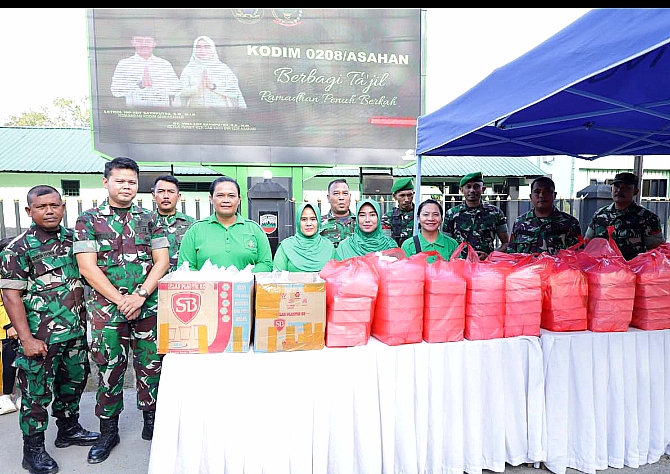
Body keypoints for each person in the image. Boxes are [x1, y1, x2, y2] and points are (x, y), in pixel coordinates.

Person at [74, 157, 170, 464]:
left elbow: (162, 261)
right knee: (109, 370)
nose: (126, 187)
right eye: (120, 181)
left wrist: (140, 296)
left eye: (131, 182)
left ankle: (152, 423)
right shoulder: (88, 220)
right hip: (107, 310)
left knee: (151, 366)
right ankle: (108, 431)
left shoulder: (149, 218)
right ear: (106, 182)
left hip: (147, 306)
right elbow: (87, 268)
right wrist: (120, 300)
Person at [0, 185, 99, 474]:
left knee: (73, 383)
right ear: (28, 211)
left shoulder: (75, 240)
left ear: (63, 207)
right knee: (36, 395)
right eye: (41, 207)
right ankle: (32, 451)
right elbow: (11, 295)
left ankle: (68, 429)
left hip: (74, 333)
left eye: (54, 205)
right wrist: (26, 338)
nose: (49, 211)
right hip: (40, 337)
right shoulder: (18, 247)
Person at [177, 176, 273, 272]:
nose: (226, 200)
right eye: (220, 195)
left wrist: (243, 278)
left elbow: (266, 264)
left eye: (231, 195)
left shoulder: (254, 229)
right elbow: (185, 267)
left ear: (239, 199)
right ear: (211, 199)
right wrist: (210, 280)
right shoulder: (195, 230)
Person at [584, 172, 664, 260]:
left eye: (625, 188)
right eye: (616, 186)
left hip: (633, 267)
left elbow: (657, 254)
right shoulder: (600, 215)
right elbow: (587, 245)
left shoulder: (648, 218)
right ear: (611, 189)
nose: (619, 190)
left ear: (635, 191)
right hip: (601, 267)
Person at [507, 176, 583, 255]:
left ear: (554, 195)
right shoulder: (520, 223)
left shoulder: (570, 223)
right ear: (530, 197)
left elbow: (578, 256)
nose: (541, 195)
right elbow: (511, 255)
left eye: (546, 192)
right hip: (525, 263)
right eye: (537, 192)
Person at [442, 171, 509, 260]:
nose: (472, 190)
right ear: (461, 190)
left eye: (476, 186)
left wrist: (490, 257)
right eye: (468, 187)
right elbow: (445, 244)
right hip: (459, 264)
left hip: (486, 264)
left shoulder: (495, 213)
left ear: (483, 189)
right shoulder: (451, 214)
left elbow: (506, 243)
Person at [110, 31, 182, 107]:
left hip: (161, 112)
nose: (144, 45)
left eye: (148, 41)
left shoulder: (164, 64)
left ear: (154, 43)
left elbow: (177, 89)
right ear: (133, 43)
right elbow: (115, 91)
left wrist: (156, 83)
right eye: (139, 41)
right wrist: (138, 85)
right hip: (136, 112)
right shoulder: (124, 64)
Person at [179, 35, 247, 108]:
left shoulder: (223, 69)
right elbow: (180, 93)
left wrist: (213, 86)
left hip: (220, 112)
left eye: (206, 47)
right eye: (198, 47)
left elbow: (234, 92)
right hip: (196, 112)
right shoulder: (188, 69)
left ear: (212, 49)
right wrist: (198, 87)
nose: (202, 50)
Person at [151, 175, 196, 272]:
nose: (166, 196)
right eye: (161, 191)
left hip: (181, 279)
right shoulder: (146, 222)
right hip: (153, 280)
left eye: (171, 192)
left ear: (178, 196)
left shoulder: (192, 224)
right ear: (154, 196)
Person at [273, 202, 335, 272]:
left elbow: (335, 275)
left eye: (313, 219)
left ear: (318, 221)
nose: (308, 224)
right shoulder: (286, 246)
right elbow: (277, 276)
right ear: (298, 222)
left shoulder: (328, 246)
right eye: (304, 219)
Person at [334, 198, 398, 260]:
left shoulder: (390, 245)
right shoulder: (344, 246)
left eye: (372, 215)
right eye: (362, 215)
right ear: (357, 218)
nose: (367, 220)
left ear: (378, 217)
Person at [401, 198, 459, 263]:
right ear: (418, 218)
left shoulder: (452, 244)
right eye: (426, 214)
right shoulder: (408, 246)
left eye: (436, 214)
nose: (431, 218)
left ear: (441, 219)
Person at [0, 237, 20, 416]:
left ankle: (7, 397)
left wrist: (11, 325)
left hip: (11, 326)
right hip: (8, 326)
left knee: (11, 360)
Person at [320, 179, 356, 248]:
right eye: (336, 193)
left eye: (345, 193)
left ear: (350, 197)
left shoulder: (360, 223)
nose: (341, 198)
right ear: (328, 198)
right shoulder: (319, 224)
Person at [382, 177, 415, 247]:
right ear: (394, 196)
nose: (406, 199)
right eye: (402, 195)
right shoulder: (388, 217)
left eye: (409, 195)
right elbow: (385, 242)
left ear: (413, 194)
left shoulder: (421, 215)